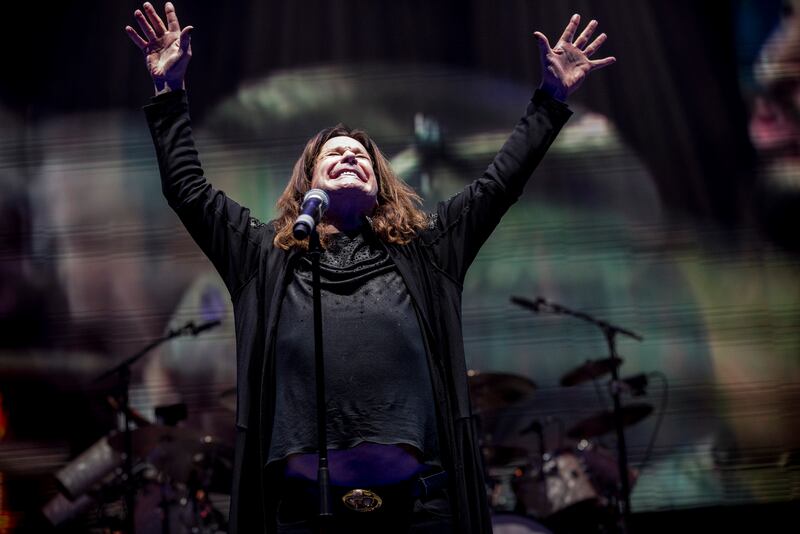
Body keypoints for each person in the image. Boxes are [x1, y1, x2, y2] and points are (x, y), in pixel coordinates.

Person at [126, 2, 614, 533]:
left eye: (360, 154)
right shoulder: (263, 255)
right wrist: (168, 92)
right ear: (306, 182)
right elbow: (188, 192)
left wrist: (552, 97)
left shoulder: (427, 251)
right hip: (303, 512)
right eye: (332, 154)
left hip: (418, 511)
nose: (348, 157)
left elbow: (499, 184)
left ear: (380, 184)